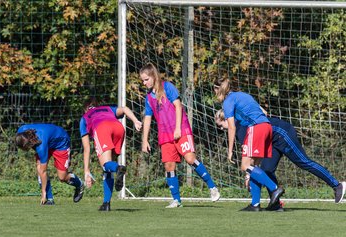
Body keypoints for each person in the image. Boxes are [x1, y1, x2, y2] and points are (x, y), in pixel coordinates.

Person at [215, 109, 346, 210]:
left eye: (221, 126)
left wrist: (248, 175)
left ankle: (337, 185)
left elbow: (249, 161)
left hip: (282, 133)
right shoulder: (240, 128)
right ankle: (276, 205)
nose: (222, 129)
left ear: (227, 119)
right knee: (266, 170)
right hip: (272, 141)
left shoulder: (240, 129)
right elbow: (255, 157)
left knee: (304, 162)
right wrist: (250, 173)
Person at [139, 63, 220, 208]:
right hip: (164, 134)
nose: (144, 83)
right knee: (169, 166)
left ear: (153, 76)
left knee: (190, 158)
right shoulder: (148, 98)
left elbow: (178, 106)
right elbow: (148, 118)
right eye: (143, 81)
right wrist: (144, 140)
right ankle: (176, 200)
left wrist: (177, 128)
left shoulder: (167, 87)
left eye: (146, 79)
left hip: (180, 128)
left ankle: (212, 187)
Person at [213, 77, 284, 211]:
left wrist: (230, 151)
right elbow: (264, 112)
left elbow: (232, 127)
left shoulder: (228, 101)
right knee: (254, 166)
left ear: (218, 89)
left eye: (215, 91)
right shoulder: (243, 95)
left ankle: (274, 189)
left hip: (256, 128)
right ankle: (255, 204)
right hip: (267, 126)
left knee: (245, 165)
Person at [80, 97, 142, 211]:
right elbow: (124, 109)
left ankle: (119, 168)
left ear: (85, 109)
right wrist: (135, 121)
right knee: (108, 168)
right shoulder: (107, 109)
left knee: (106, 165)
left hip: (102, 128)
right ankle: (106, 204)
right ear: (97, 105)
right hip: (118, 128)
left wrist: (86, 171)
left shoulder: (84, 118)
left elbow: (86, 148)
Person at [15, 123, 84, 205]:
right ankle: (50, 199)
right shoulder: (21, 132)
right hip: (48, 140)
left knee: (62, 177)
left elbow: (43, 172)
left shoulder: (41, 146)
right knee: (39, 167)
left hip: (61, 144)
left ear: (29, 143)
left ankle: (80, 184)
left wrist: (43, 192)